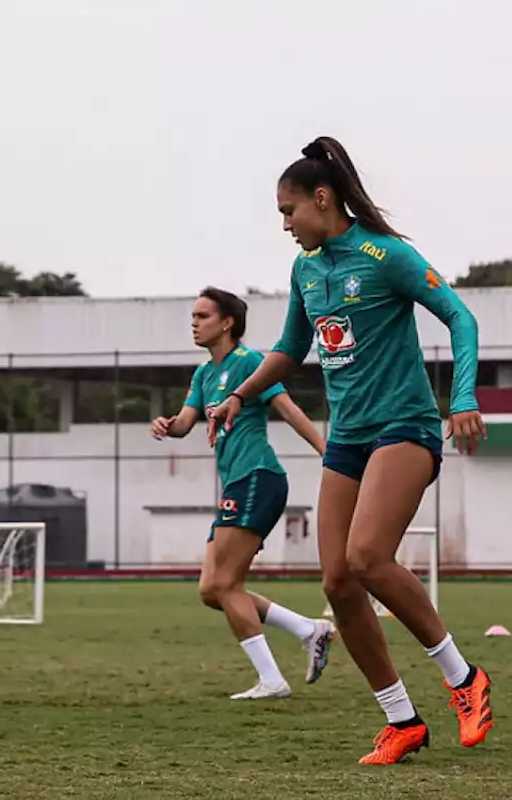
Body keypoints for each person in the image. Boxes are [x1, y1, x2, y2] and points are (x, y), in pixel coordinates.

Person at [206, 136, 493, 766]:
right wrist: (239, 396)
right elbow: (289, 348)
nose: (284, 224)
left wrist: (464, 398)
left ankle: (464, 679)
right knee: (337, 580)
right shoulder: (306, 269)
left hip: (406, 429)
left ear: (322, 197)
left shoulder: (386, 255)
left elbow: (461, 319)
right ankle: (401, 721)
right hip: (349, 439)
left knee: (367, 556)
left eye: (289, 211)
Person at [150, 286, 335, 700]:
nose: (194, 324)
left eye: (202, 316)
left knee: (227, 584)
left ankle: (272, 680)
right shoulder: (204, 374)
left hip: (258, 478)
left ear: (227, 322)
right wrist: (166, 425)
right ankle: (309, 629)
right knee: (211, 590)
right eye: (193, 317)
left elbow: (287, 409)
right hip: (239, 483)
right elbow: (184, 424)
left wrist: (328, 453)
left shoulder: (250, 362)